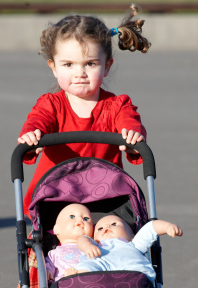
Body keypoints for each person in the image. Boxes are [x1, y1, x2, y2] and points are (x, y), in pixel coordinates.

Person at [17, 4, 151, 216]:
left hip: (106, 200)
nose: (80, 73)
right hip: (55, 200)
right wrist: (32, 135)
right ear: (54, 67)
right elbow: (37, 120)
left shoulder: (118, 106)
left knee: (118, 233)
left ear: (106, 66)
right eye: (69, 65)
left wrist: (132, 137)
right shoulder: (51, 105)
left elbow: (130, 122)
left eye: (90, 64)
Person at [65, 215, 183, 283]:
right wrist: (88, 247)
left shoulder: (133, 243)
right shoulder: (96, 245)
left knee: (140, 270)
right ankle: (82, 282)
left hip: (130, 271)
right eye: (99, 229)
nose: (106, 227)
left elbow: (151, 227)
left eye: (114, 224)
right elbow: (82, 239)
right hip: (100, 266)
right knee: (87, 267)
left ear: (131, 235)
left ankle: (139, 287)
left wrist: (168, 227)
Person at [44, 203, 97, 282]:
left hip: (92, 282)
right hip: (64, 284)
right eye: (72, 217)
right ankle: (70, 279)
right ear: (57, 229)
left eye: (86, 219)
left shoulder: (94, 247)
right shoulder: (55, 252)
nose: (80, 219)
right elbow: (48, 264)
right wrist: (48, 271)